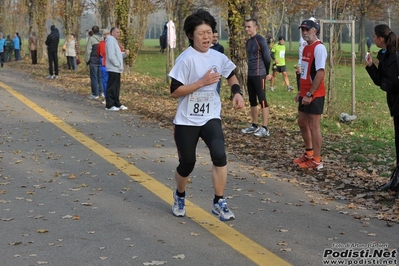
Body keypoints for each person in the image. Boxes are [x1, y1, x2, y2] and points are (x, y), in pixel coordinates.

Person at [168, 9, 244, 221]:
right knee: (187, 163)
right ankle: (180, 195)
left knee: (219, 155)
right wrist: (201, 82)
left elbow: (231, 74)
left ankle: (218, 201)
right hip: (186, 120)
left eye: (209, 32)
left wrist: (237, 92)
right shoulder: (186, 59)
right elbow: (175, 91)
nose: (206, 37)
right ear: (192, 35)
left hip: (211, 116)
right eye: (201, 33)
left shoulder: (218, 56)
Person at [293, 19, 327, 170]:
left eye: (307, 30)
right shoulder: (306, 47)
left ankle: (317, 160)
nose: (304, 32)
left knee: (314, 126)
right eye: (303, 30)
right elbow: (305, 72)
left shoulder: (319, 48)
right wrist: (300, 92)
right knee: (302, 122)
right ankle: (309, 154)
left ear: (315, 30)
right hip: (305, 92)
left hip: (315, 94)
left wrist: (310, 93)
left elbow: (320, 73)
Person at [365, 24, 399, 165]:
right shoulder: (385, 55)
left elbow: (393, 84)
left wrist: (385, 85)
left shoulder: (395, 58)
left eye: (374, 36)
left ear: (380, 39)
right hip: (395, 104)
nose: (373, 39)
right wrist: (371, 66)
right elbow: (380, 81)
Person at [241, 18, 272, 137]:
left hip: (260, 74)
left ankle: (265, 128)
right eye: (245, 27)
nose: (246, 29)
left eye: (249, 26)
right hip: (251, 74)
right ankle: (254, 125)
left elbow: (267, 57)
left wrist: (267, 72)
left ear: (255, 27)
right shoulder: (249, 42)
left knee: (262, 100)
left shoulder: (261, 40)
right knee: (252, 100)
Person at [105, 27, 129, 111]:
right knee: (112, 87)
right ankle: (109, 105)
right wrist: (118, 65)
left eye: (119, 32)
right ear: (112, 33)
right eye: (117, 32)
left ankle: (116, 103)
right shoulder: (110, 40)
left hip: (116, 69)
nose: (119, 34)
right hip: (113, 68)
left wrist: (124, 54)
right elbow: (111, 56)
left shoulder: (115, 41)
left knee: (116, 87)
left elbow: (117, 55)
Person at [296, 17, 317, 91]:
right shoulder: (304, 39)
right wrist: (300, 65)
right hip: (304, 65)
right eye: (303, 30)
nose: (305, 32)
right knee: (303, 88)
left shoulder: (317, 43)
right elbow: (302, 53)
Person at [85, 26, 104, 99]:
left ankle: (95, 94)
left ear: (92, 31)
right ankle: (101, 92)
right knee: (100, 77)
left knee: (94, 77)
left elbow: (88, 50)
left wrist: (87, 60)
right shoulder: (102, 38)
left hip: (93, 60)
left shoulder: (92, 39)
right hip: (101, 60)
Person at [210, 29, 224, 95]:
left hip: (216, 74)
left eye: (216, 37)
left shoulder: (220, 48)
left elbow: (221, 61)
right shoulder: (204, 47)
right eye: (214, 37)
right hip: (205, 74)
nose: (215, 39)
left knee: (216, 93)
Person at [97, 29, 109, 104]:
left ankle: (108, 97)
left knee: (107, 82)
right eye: (106, 34)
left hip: (107, 65)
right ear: (104, 35)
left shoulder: (101, 44)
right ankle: (106, 97)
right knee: (105, 82)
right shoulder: (101, 44)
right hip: (105, 65)